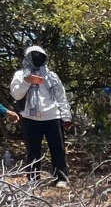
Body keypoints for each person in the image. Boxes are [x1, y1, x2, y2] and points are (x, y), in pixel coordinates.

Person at [10, 46, 71, 187]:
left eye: (39, 56)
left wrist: (66, 116)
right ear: (27, 58)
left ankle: (60, 178)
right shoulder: (20, 75)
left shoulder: (52, 76)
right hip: (30, 118)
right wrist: (27, 81)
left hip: (53, 116)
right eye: (33, 56)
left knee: (57, 149)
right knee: (33, 151)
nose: (36, 59)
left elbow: (61, 96)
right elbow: (16, 95)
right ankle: (33, 179)